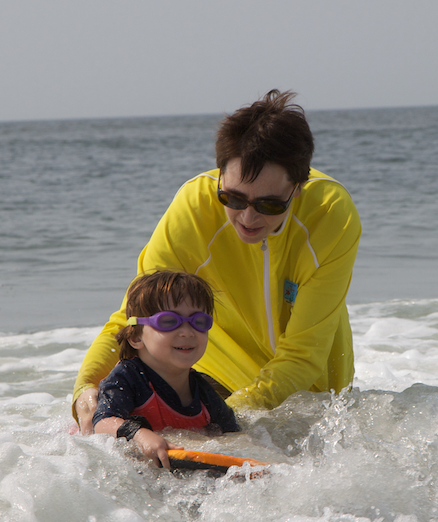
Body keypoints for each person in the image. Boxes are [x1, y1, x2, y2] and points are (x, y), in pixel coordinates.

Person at [74, 90, 361, 433]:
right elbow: (134, 316)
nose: (248, 218)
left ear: (298, 188)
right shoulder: (193, 210)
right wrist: (86, 387)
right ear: (221, 175)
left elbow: (302, 355)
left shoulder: (331, 214)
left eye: (269, 205)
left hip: (308, 395)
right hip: (212, 379)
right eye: (233, 198)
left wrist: (219, 421)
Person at [93, 270, 239, 468]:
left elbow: (235, 436)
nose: (187, 332)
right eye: (169, 321)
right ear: (136, 337)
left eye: (199, 322)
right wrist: (140, 435)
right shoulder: (128, 378)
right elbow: (102, 423)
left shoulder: (205, 391)